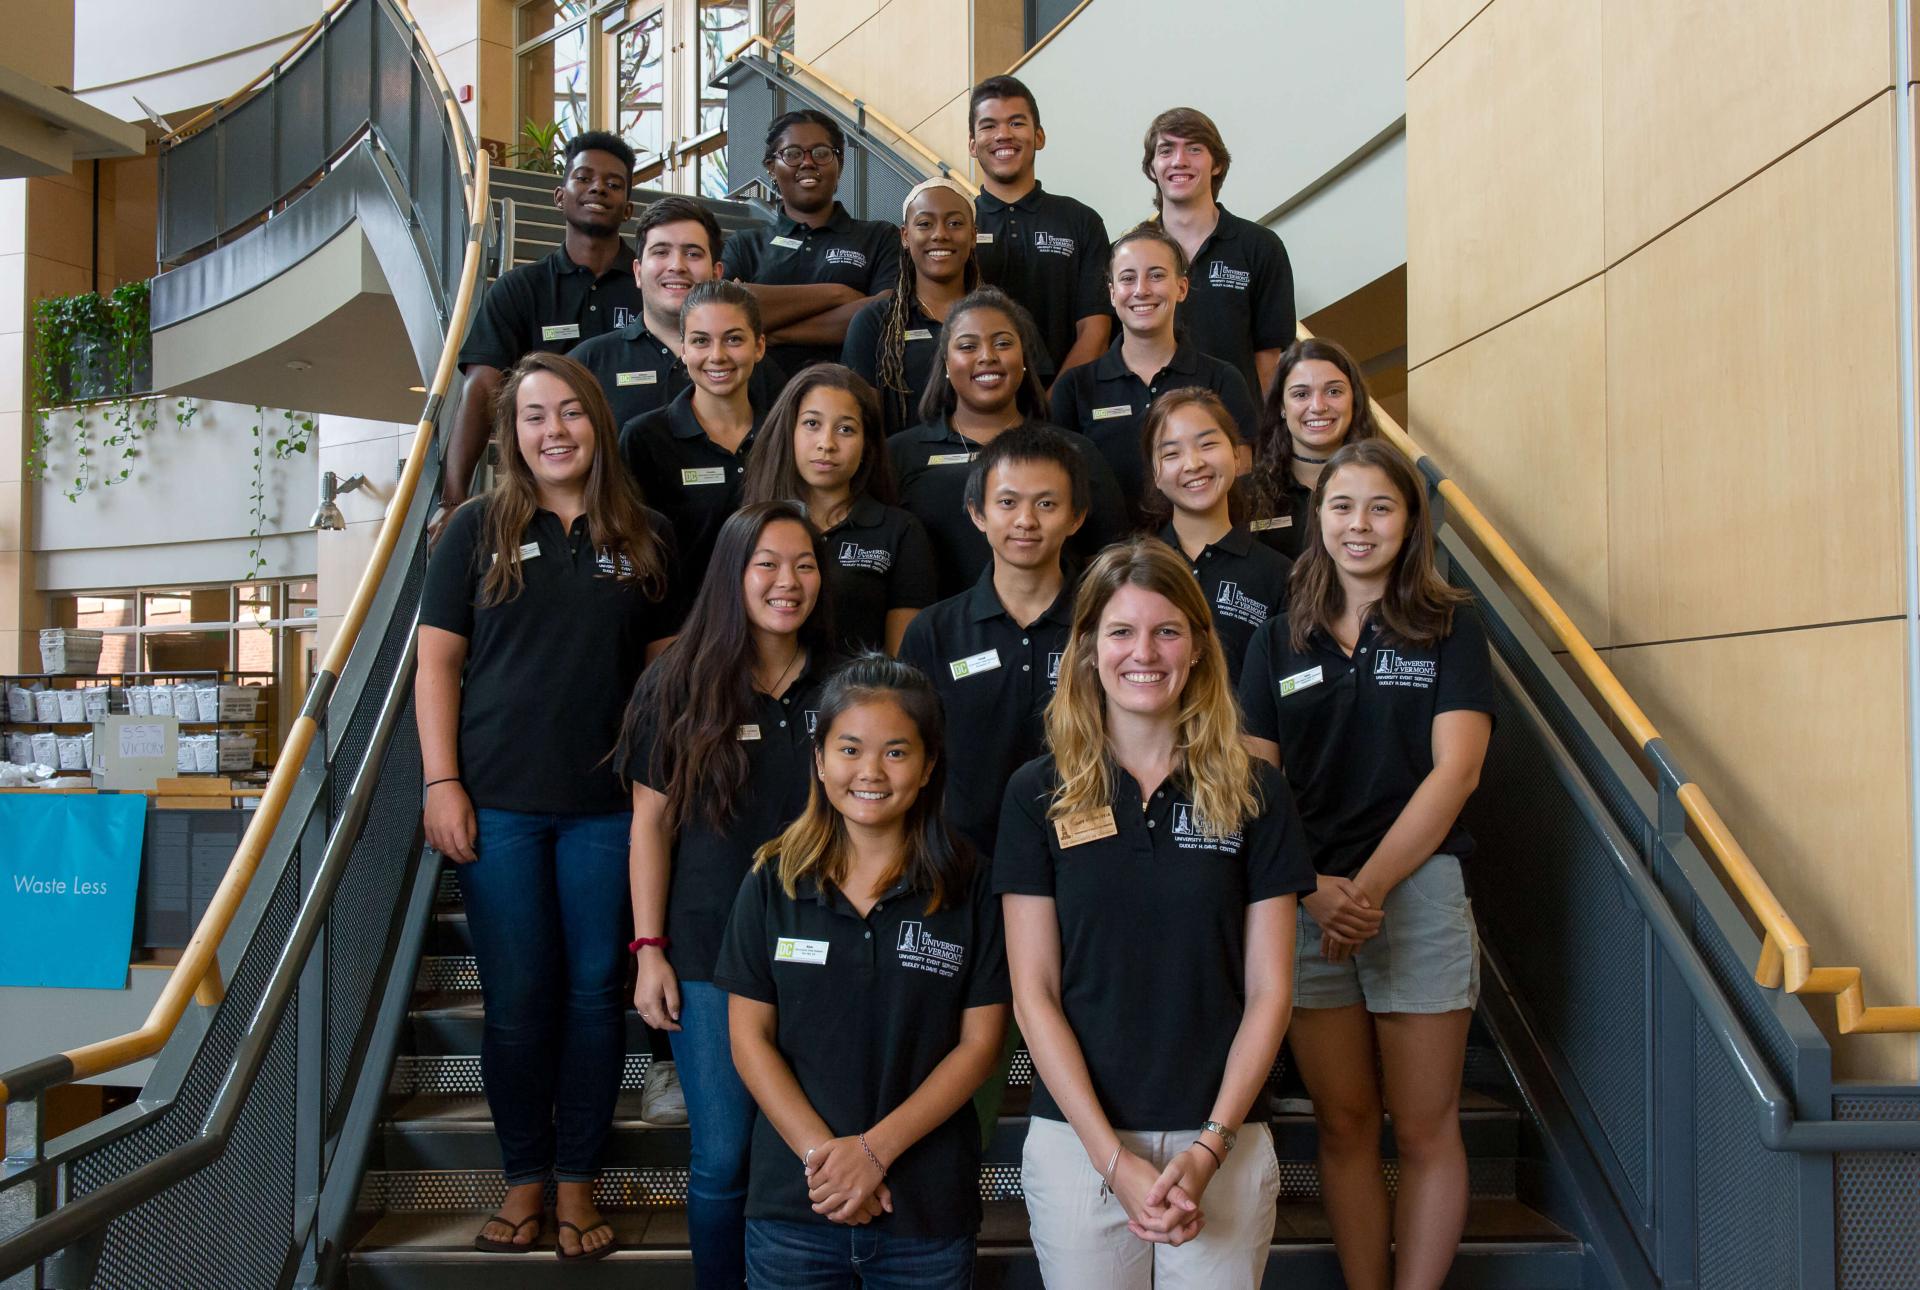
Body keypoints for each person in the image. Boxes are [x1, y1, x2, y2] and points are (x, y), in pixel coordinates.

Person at [996, 538, 1316, 1289]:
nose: (1145, 652)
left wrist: (1207, 1150)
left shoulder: (1257, 793)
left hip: (1222, 1138)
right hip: (1078, 1142)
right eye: (1121, 632)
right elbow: (1033, 995)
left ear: (1200, 649)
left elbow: (1272, 994)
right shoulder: (1035, 795)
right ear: (1086, 650)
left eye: (1167, 631)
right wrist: (1112, 1159)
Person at [417, 351, 676, 1262]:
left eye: (570, 412)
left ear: (597, 424)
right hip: (501, 812)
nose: (553, 430)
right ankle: (522, 1177)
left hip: (607, 813)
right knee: (519, 1003)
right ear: (510, 433)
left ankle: (578, 1181)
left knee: (595, 1000)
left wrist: (657, 795)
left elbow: (662, 681)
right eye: (533, 416)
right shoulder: (473, 531)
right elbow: (438, 664)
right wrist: (440, 781)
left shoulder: (644, 534)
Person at [1236, 438, 1495, 1290]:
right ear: (1318, 518)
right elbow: (1255, 784)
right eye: (1342, 506)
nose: (1360, 524)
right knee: (1345, 1127)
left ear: (1411, 521)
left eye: (1382, 507)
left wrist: (1370, 889)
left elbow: (1456, 770)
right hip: (1308, 902)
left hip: (1414, 893)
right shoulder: (1276, 639)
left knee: (1424, 1128)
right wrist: (1311, 891)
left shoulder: (1450, 626)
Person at [715, 655, 1010, 1289]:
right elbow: (748, 1040)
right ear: (820, 760)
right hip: (796, 1206)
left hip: (925, 1211)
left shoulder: (972, 885)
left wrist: (872, 1155)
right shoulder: (772, 881)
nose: (870, 772)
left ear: (929, 765)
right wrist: (829, 1162)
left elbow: (981, 1046)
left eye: (896, 753)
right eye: (850, 749)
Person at [619, 500, 840, 1290]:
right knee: (723, 1155)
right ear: (732, 575)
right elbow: (649, 823)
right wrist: (649, 951)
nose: (789, 582)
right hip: (710, 951)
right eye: (768, 565)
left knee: (812, 1144)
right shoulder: (676, 682)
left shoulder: (843, 680)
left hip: (823, 948)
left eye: (805, 564)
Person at [440, 132, 644, 525]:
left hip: (635, 480)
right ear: (559, 196)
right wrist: (453, 500)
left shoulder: (648, 286)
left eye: (613, 184)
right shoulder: (521, 288)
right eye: (583, 178)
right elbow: (482, 386)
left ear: (628, 209)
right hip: (544, 483)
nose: (598, 188)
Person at [888, 287, 1125, 598]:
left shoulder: (1075, 452)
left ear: (1024, 358)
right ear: (946, 363)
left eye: (1002, 343)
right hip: (937, 637)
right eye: (968, 346)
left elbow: (1110, 567)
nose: (987, 357)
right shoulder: (898, 455)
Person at [1050, 224, 1257, 518]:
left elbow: (1239, 478)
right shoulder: (1074, 388)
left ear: (1181, 288)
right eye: (1128, 278)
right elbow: (1060, 487)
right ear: (1112, 293)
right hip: (1106, 559)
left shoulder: (1222, 379)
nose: (1141, 290)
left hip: (1199, 555)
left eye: (1156, 275)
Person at [741, 364, 937, 656]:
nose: (827, 444)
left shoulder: (899, 531)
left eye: (845, 429)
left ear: (867, 445)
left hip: (861, 697)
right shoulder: (749, 524)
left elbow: (902, 665)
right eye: (811, 424)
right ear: (788, 431)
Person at [570, 196, 788, 431]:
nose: (677, 266)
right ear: (637, 272)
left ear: (717, 273)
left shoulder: (755, 368)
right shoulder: (587, 365)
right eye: (661, 252)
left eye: (693, 254)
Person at [725, 111, 901, 374]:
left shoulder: (880, 237)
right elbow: (728, 315)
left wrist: (774, 332)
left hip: (850, 396)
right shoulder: (745, 245)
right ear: (771, 167)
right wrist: (838, 294)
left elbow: (884, 313)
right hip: (763, 402)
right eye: (793, 154)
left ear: (839, 165)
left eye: (820, 153)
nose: (807, 162)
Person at [621, 280, 773, 580]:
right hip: (677, 624)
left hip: (772, 620)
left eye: (733, 339)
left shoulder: (784, 434)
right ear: (683, 350)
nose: (717, 355)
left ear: (759, 347)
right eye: (701, 341)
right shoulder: (644, 439)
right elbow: (631, 555)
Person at [966, 75, 1111, 388]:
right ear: (972, 145)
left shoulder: (1081, 221)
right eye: (989, 126)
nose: (1003, 135)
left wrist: (1052, 406)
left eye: (1016, 123)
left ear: (1040, 136)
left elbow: (1096, 330)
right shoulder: (957, 226)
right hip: (975, 408)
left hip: (1063, 411)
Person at [1142, 108, 1294, 398]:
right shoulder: (1128, 255)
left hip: (1236, 431)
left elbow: (1270, 361)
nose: (1179, 160)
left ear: (1217, 165)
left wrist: (1263, 437)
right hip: (1151, 429)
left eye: (1194, 149)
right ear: (1152, 168)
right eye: (1166, 150)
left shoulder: (1260, 246)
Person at [1142, 388, 1289, 686]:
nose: (1193, 463)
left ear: (1236, 456)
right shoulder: (1134, 567)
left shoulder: (1280, 576)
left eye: (1207, 444)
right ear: (1156, 474)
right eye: (1171, 453)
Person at [841, 177, 981, 436]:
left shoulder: (1001, 319)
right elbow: (862, 422)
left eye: (955, 223)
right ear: (905, 236)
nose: (940, 234)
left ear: (973, 236)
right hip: (901, 472)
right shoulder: (873, 322)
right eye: (925, 224)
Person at [1247, 336, 1380, 560]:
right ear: (1281, 405)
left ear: (1354, 400)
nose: (1318, 406)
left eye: (1334, 392)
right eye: (1301, 394)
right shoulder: (1245, 495)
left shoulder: (1384, 486)